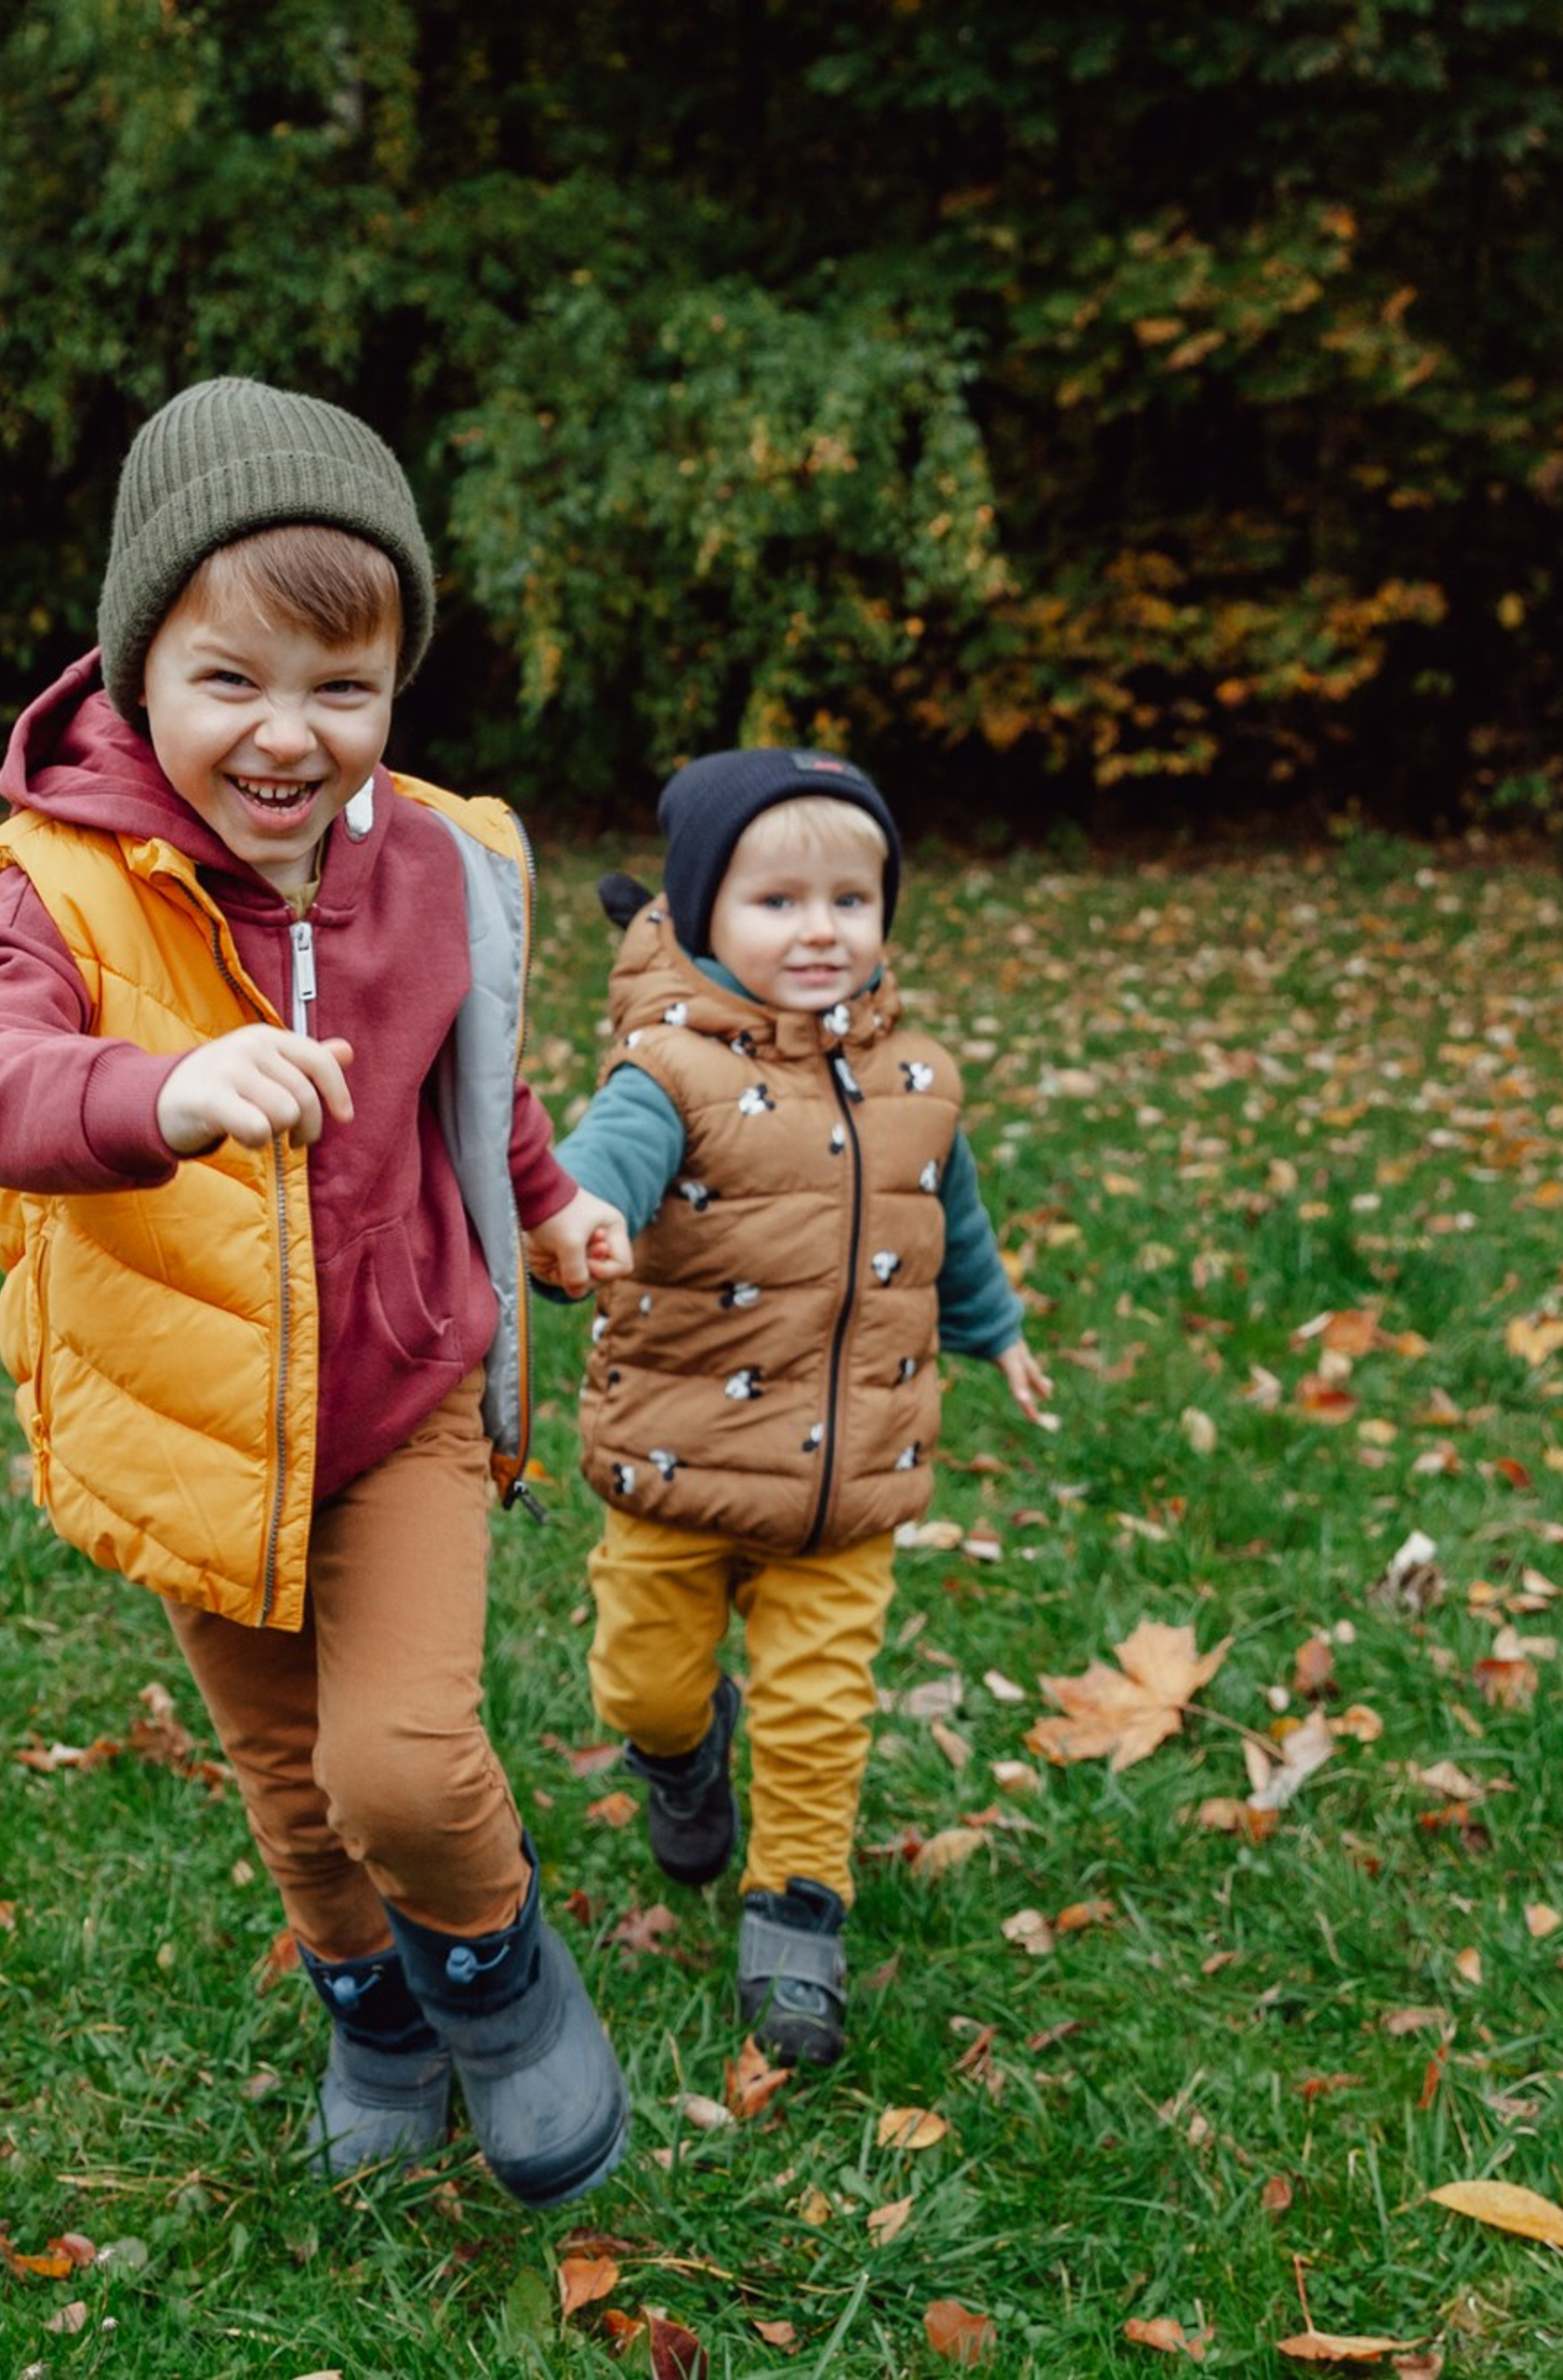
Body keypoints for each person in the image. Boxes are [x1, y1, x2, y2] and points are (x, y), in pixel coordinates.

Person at [0, 377, 633, 2206]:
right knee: (294, 1785)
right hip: (196, 1420)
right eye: (229, 678)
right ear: (135, 661)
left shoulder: (441, 862)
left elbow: (472, 1074)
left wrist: (545, 1210)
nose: (286, 735)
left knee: (394, 1760)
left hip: (403, 1391)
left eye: (342, 687)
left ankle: (491, 1966)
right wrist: (154, 1088)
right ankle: (374, 2008)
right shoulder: (65, 881)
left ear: (393, 683)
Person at [551, 747, 1052, 2069]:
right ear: (704, 911)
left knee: (822, 1706)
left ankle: (797, 1915)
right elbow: (605, 1161)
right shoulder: (668, 1073)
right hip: (681, 1463)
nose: (821, 928)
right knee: (643, 1684)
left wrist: (993, 1333)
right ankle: (681, 1752)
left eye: (852, 898)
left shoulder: (920, 1084)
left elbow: (948, 1218)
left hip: (850, 1478)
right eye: (778, 901)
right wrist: (584, 1209)